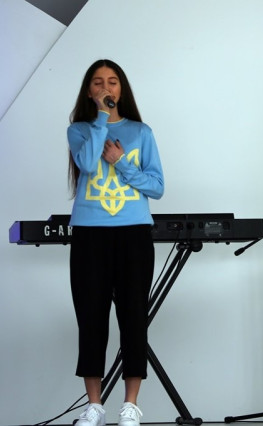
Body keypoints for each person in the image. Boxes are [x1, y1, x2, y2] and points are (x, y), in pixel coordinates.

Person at [67, 59, 165, 426]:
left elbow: (156, 186)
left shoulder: (141, 132)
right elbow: (88, 164)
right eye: (97, 82)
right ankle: (94, 405)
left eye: (112, 81)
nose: (105, 87)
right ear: (89, 92)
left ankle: (130, 405)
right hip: (89, 233)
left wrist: (122, 162)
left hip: (133, 232)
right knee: (91, 318)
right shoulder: (79, 130)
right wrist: (100, 120)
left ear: (121, 89)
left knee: (133, 318)